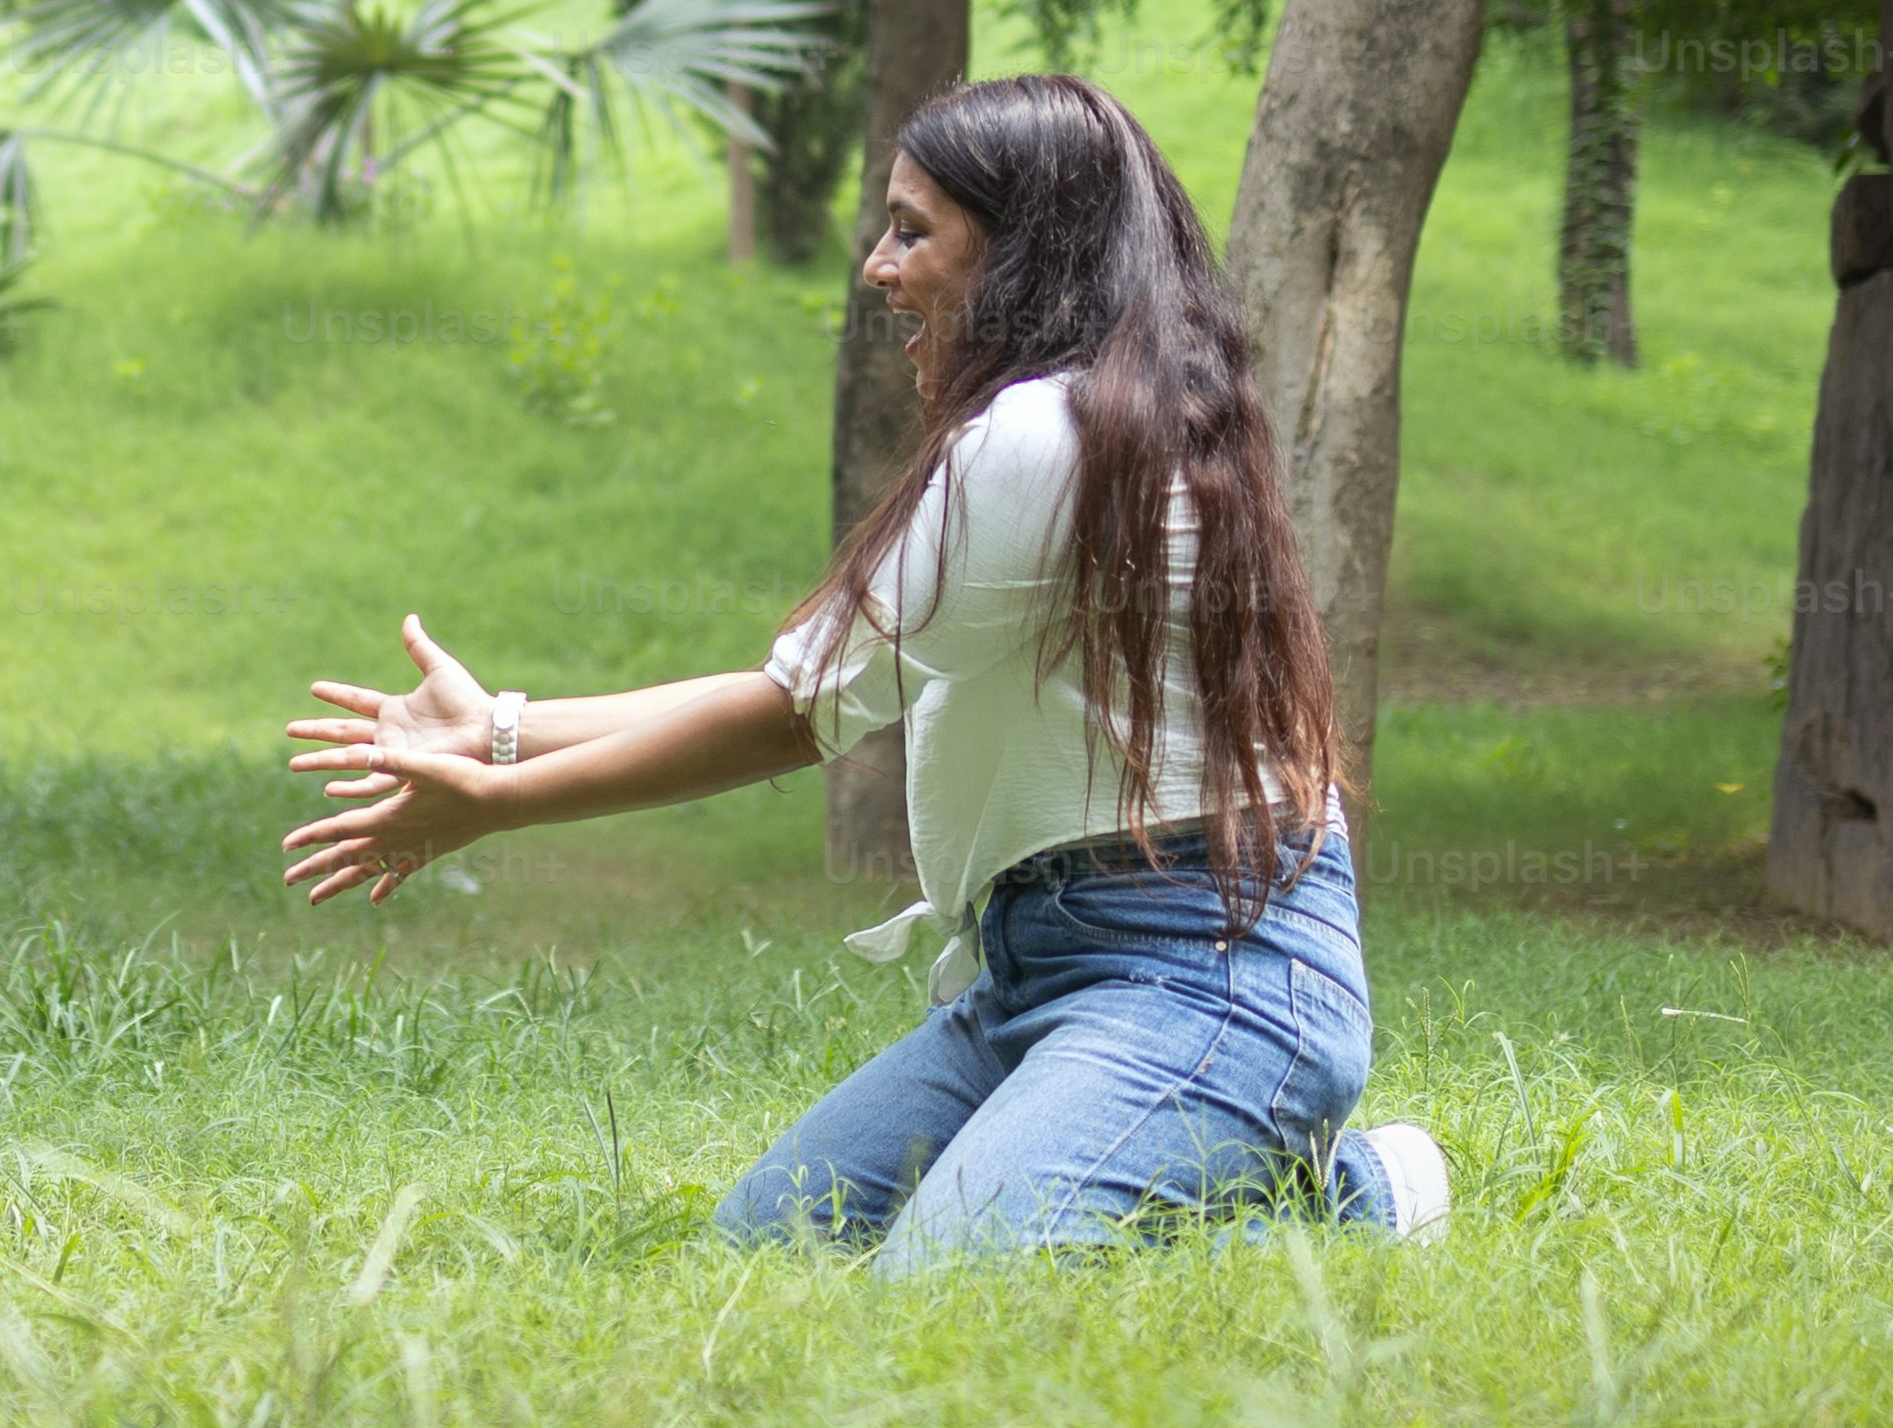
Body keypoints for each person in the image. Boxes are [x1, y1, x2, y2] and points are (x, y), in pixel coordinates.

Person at [282, 72, 1449, 1262]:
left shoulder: (1043, 439)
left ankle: (1354, 1197)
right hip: (1041, 962)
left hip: (1213, 973)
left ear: (1021, 252)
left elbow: (794, 718)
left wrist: (501, 801)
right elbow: (798, 685)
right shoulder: (1094, 423)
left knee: (949, 1281)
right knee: (769, 1250)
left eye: (912, 230)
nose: (877, 268)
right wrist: (500, 730)